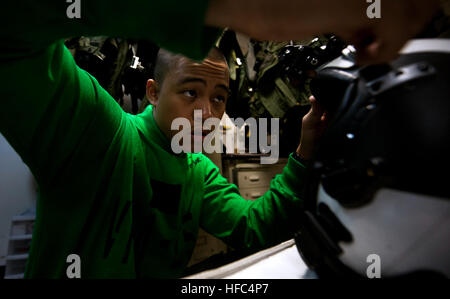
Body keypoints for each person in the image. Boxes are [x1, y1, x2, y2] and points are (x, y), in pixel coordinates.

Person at [0, 0, 439, 279]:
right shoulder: (96, 131)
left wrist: (305, 149)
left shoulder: (198, 170)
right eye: (191, 93)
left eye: (220, 98)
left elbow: (254, 228)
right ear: (152, 92)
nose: (208, 114)